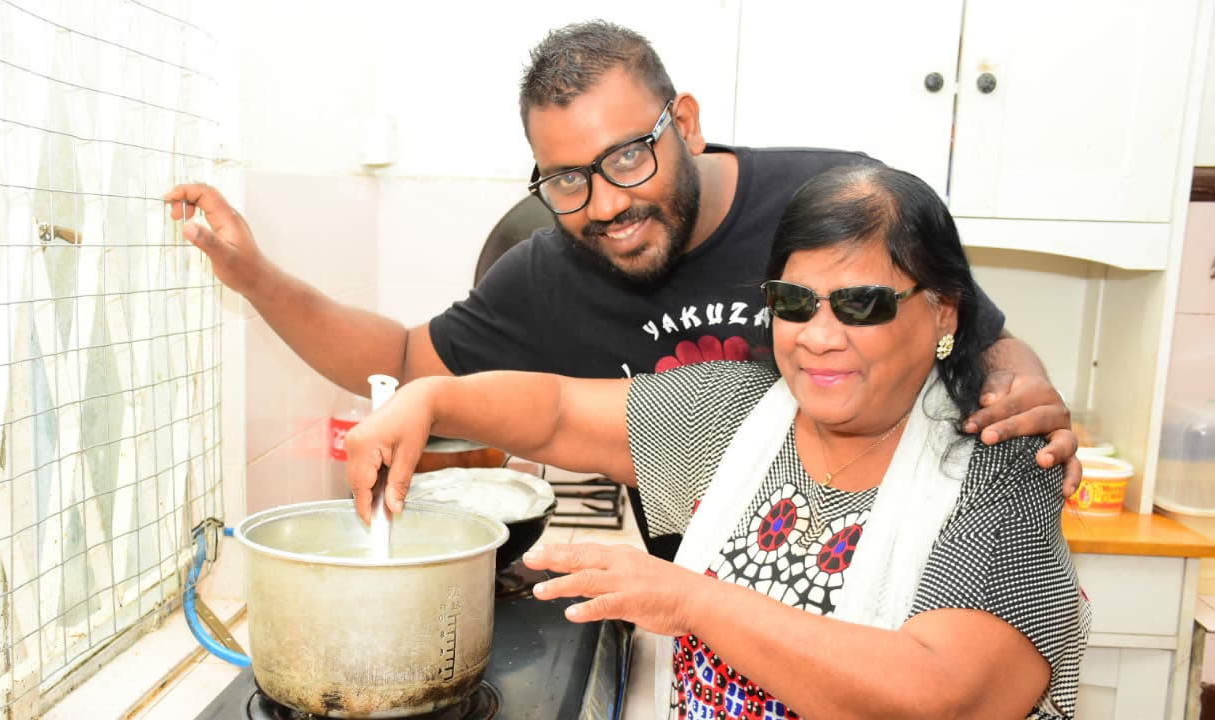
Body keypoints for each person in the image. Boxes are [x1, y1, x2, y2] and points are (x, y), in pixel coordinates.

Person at [164, 21, 1080, 561]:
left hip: (895, 580)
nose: (604, 204)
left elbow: (973, 335)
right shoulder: (554, 270)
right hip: (713, 608)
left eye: (628, 158)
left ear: (684, 123)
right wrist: (253, 276)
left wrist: (1020, 385)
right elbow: (410, 363)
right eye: (567, 179)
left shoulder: (828, 203)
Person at [344, 164, 1090, 720]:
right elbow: (558, 412)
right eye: (794, 302)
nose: (819, 336)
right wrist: (431, 398)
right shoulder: (740, 413)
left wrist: (692, 602)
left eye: (861, 304)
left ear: (944, 312)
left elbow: (947, 697)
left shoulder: (998, 462)